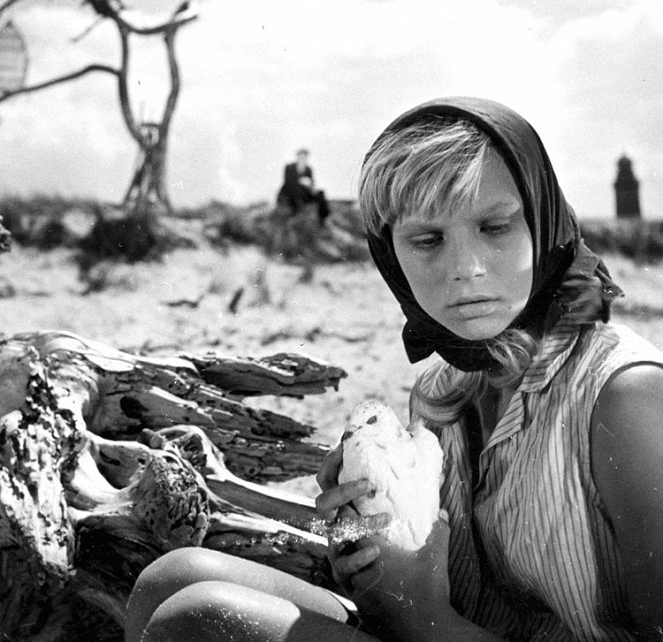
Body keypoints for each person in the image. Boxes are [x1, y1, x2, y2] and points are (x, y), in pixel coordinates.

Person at [125, 97, 663, 642]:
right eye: (427, 240)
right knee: (173, 577)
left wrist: (423, 618)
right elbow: (436, 574)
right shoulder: (442, 392)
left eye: (496, 227)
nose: (466, 269)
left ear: (542, 223)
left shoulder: (624, 398)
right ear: (390, 257)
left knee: (199, 618)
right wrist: (359, 547)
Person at [276, 148, 330, 225]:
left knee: (321, 193)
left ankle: (323, 218)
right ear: (297, 157)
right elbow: (287, 182)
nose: (302, 159)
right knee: (296, 190)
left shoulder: (308, 169)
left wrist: (310, 186)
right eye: (301, 157)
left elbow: (311, 182)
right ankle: (295, 214)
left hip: (304, 194)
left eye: (304, 157)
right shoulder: (289, 167)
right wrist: (300, 181)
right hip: (290, 194)